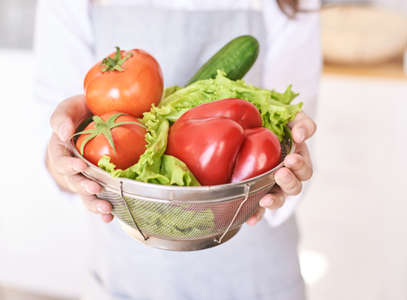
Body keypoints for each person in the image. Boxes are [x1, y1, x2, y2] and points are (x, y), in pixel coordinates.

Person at [36, 0, 321, 299]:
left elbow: (294, 132)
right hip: (132, 269)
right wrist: (64, 163)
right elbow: (49, 137)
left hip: (255, 268)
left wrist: (283, 173)